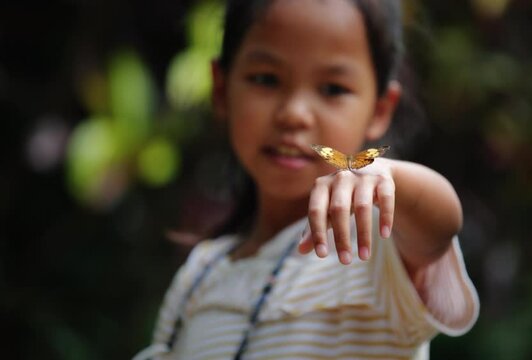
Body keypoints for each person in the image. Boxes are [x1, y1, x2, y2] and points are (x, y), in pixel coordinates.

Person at [134, 0, 479, 359]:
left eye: (332, 88)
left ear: (380, 110)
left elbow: (440, 224)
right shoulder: (199, 275)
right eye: (266, 79)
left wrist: (382, 177)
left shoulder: (376, 241)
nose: (294, 114)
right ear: (221, 90)